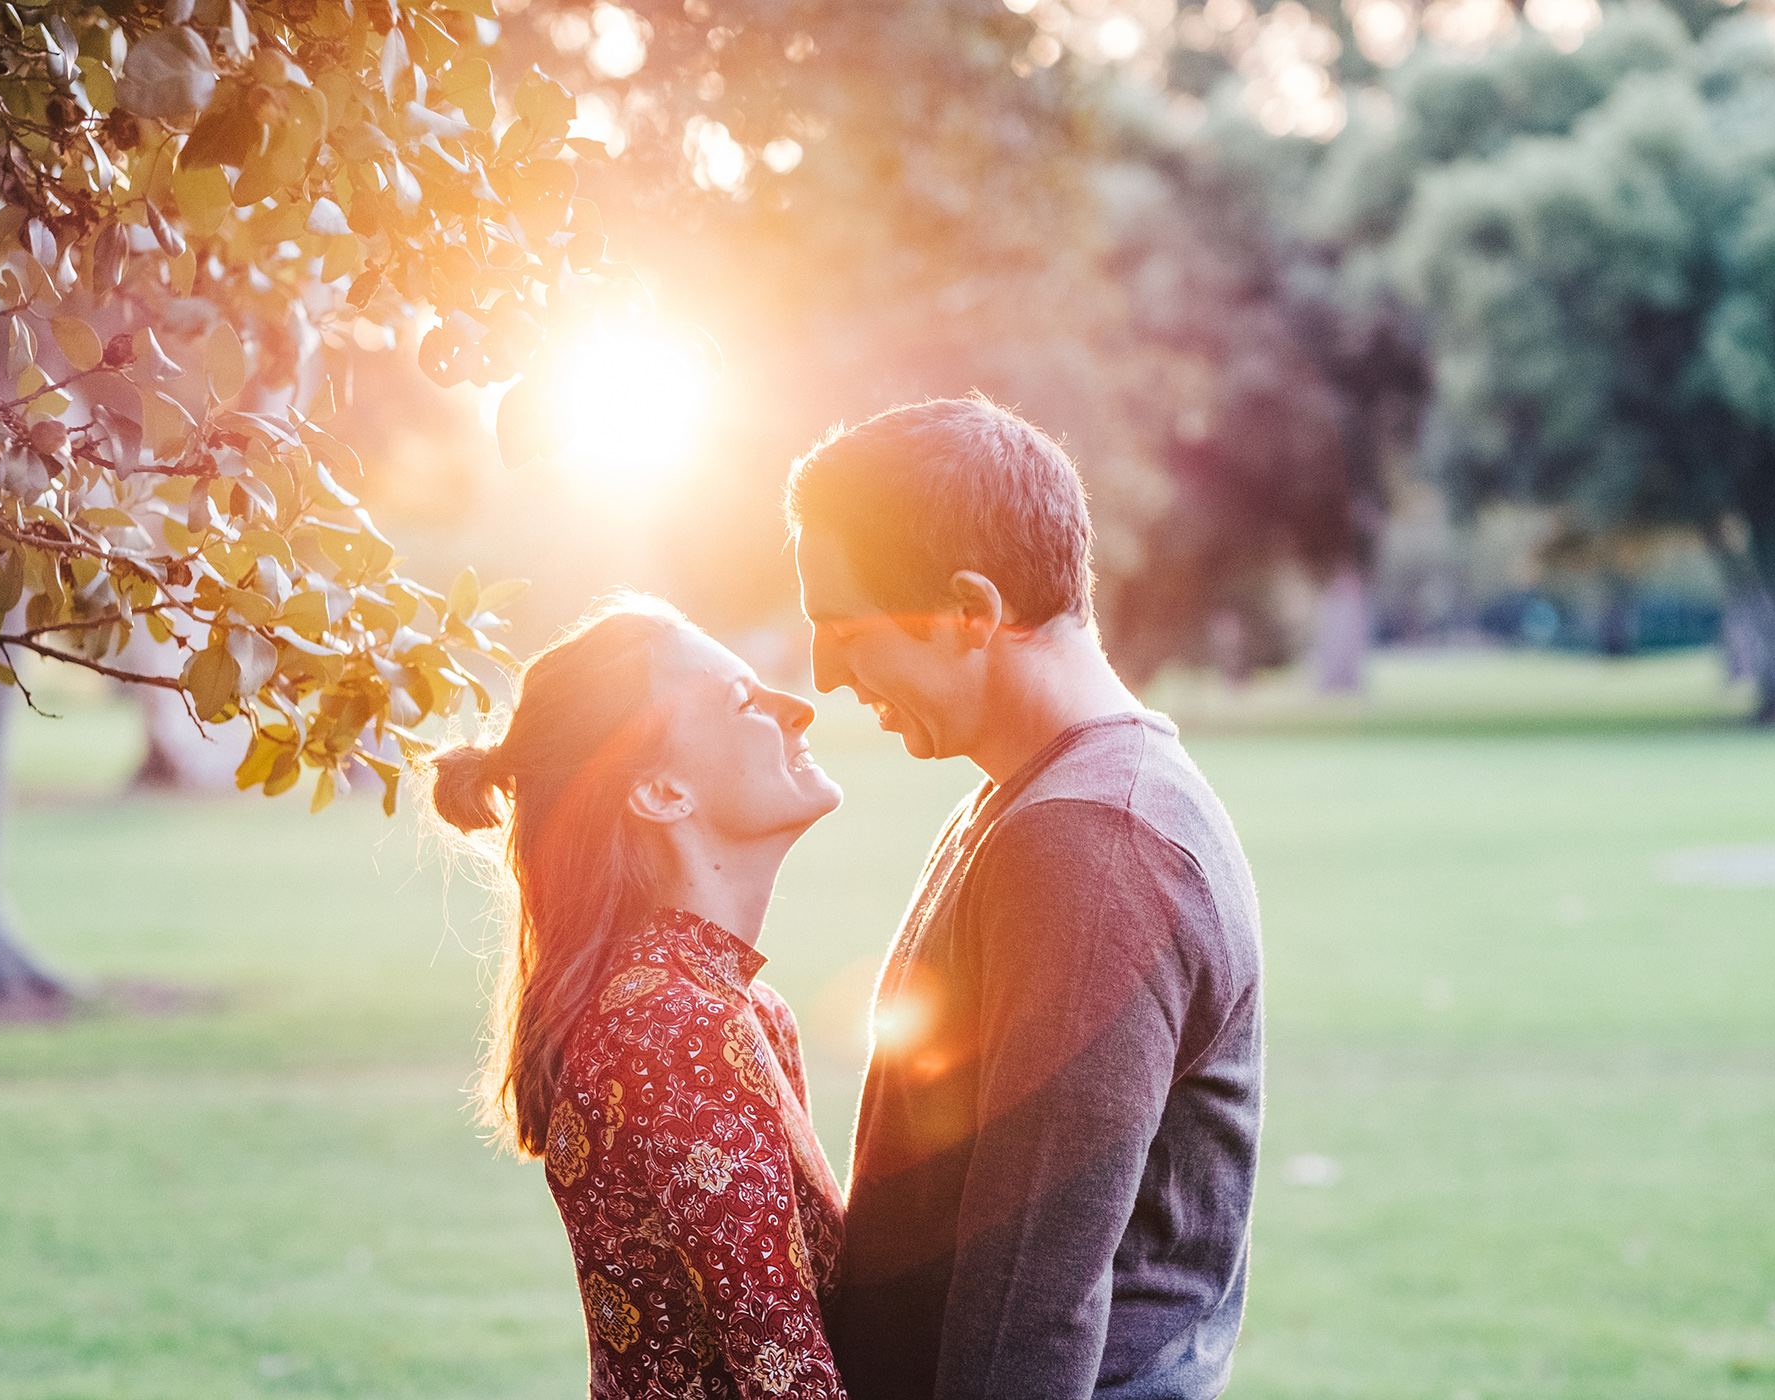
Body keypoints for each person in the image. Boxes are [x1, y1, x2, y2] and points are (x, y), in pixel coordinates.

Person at [786, 397, 1264, 1399]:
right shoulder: (1039, 801)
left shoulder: (1095, 842)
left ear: (970, 606)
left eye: (842, 622)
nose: (825, 671)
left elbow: (1028, 1307)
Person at [432, 594, 851, 1399]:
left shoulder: (742, 1010)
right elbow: (786, 1376)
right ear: (660, 792)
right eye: (743, 701)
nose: (797, 706)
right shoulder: (674, 1029)